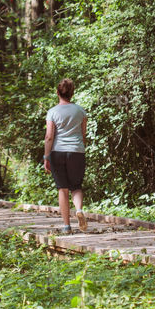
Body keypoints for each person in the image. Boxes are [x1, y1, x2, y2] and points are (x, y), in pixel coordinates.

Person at [43, 78, 88, 234]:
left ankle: (67, 226)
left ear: (58, 92)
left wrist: (46, 157)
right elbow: (83, 134)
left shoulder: (52, 112)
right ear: (72, 93)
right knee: (76, 186)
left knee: (62, 188)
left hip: (58, 152)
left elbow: (49, 136)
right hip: (76, 151)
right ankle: (79, 209)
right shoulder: (80, 111)